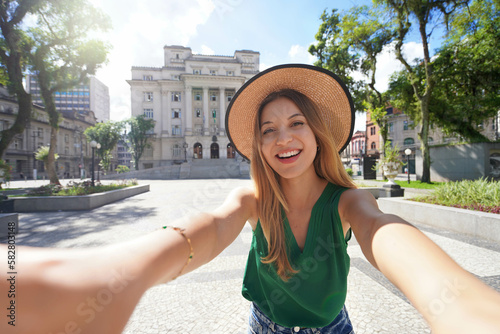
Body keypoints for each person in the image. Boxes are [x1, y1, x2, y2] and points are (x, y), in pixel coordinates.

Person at [1, 64, 500, 334]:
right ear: (257, 144)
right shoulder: (252, 197)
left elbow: (382, 230)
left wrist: (457, 302)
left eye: (296, 123)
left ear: (318, 133)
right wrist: (117, 272)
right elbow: (213, 225)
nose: (283, 139)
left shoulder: (347, 202)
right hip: (263, 327)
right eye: (268, 129)